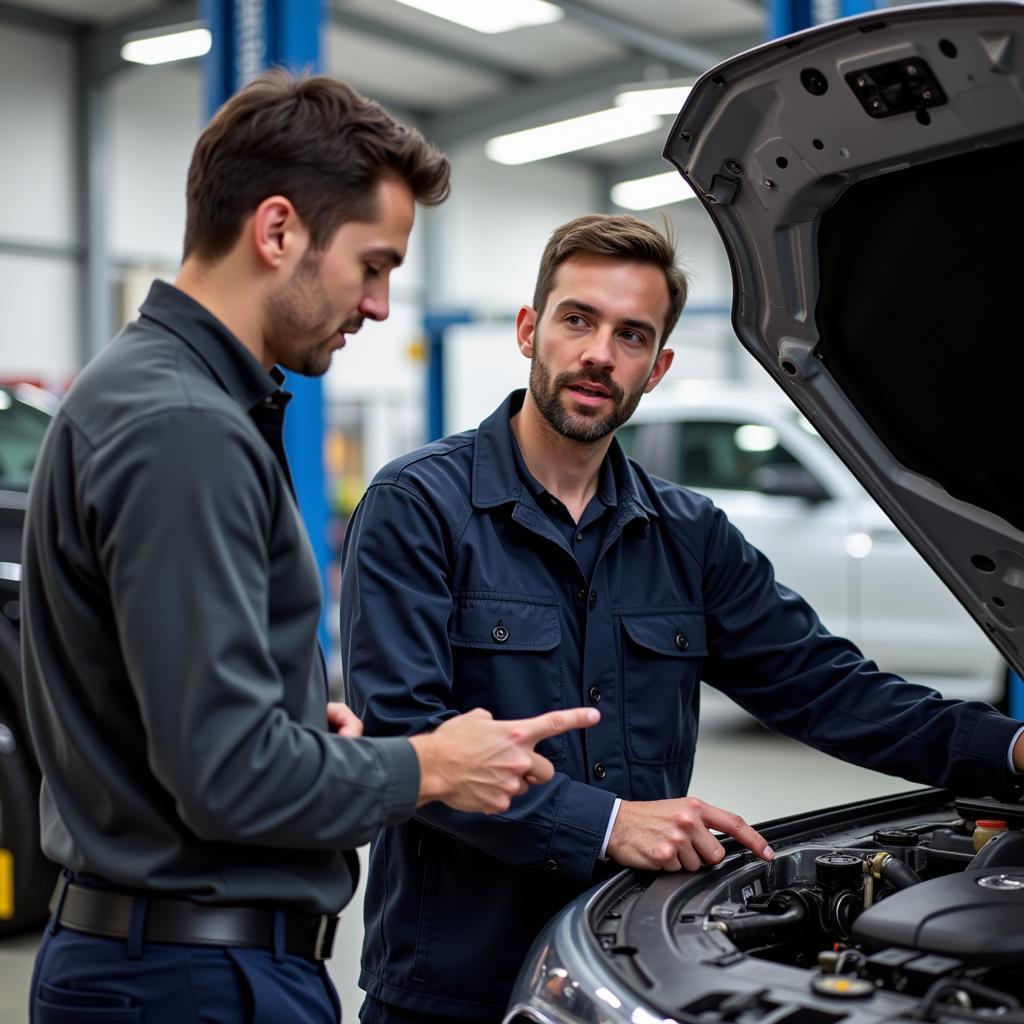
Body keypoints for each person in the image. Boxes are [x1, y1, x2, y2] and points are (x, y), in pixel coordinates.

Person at [339, 213, 1024, 1024]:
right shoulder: (418, 505)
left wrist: (1009, 748)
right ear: (530, 330)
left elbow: (830, 690)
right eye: (578, 320)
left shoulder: (689, 536)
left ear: (657, 367)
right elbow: (404, 739)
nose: (600, 354)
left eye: (632, 335)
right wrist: (607, 824)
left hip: (629, 968)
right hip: (452, 986)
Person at [20, 72, 599, 1024]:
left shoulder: (160, 396)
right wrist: (432, 766)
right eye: (371, 265)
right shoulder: (182, 426)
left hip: (170, 964)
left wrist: (301, 728)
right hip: (191, 982)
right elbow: (227, 775)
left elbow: (178, 727)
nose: (377, 305)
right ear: (279, 229)